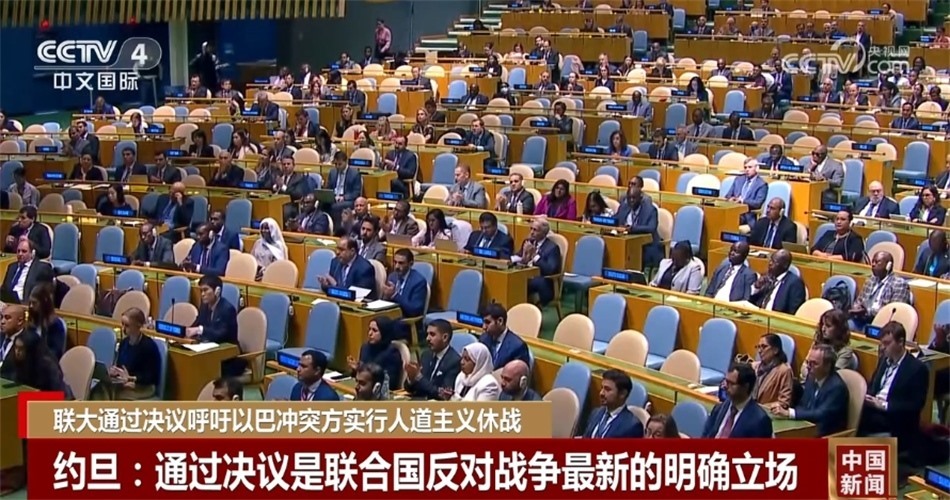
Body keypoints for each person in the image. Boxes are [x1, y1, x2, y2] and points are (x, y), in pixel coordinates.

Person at [858, 321, 928, 452]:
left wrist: (884, 405)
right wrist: (868, 398)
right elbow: (873, 386)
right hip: (874, 409)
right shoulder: (884, 361)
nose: (882, 348)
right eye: (881, 343)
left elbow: (916, 405)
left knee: (856, 418)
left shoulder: (917, 368)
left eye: (887, 343)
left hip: (896, 418)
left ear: (900, 342)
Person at [771, 343, 848, 436]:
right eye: (808, 362)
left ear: (827, 366)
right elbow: (803, 404)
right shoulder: (811, 377)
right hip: (807, 426)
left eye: (814, 363)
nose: (808, 366)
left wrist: (789, 413)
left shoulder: (836, 387)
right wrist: (785, 411)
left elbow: (821, 414)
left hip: (826, 434)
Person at [185, 275, 242, 377]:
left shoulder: (227, 309)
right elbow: (197, 323)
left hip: (228, 357)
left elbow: (220, 334)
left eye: (205, 290)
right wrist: (185, 331)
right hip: (210, 352)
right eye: (201, 291)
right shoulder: (204, 306)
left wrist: (200, 330)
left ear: (217, 291)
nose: (202, 294)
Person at [701, 363, 773, 438]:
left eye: (731, 383)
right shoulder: (719, 409)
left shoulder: (759, 421)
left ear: (745, 386)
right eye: (726, 381)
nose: (725, 386)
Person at [849, 251, 911, 331]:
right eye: (872, 262)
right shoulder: (871, 280)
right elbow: (859, 301)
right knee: (845, 325)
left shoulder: (899, 284)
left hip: (883, 324)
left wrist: (867, 311)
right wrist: (856, 308)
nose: (873, 264)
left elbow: (893, 312)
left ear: (888, 266)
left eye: (877, 262)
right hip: (863, 319)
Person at [109, 307, 162, 400]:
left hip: (144, 386)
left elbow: (151, 377)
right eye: (122, 324)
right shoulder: (124, 343)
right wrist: (115, 372)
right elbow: (121, 367)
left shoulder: (148, 346)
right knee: (100, 389)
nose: (123, 328)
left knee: (118, 395)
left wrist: (131, 378)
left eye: (127, 325)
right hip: (125, 382)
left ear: (138, 326)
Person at [404, 319, 461, 400]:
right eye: (427, 334)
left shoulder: (454, 361)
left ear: (445, 337)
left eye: (432, 334)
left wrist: (418, 377)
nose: (428, 338)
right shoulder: (426, 355)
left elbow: (443, 395)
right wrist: (411, 379)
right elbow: (410, 389)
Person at [580, 369, 644, 438]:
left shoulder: (632, 427)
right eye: (602, 388)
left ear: (622, 394)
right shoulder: (595, 413)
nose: (601, 393)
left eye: (607, 389)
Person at [515, 218, 562, 306]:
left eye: (535, 230)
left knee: (522, 282)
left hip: (543, 282)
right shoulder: (528, 242)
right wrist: (523, 257)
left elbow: (551, 270)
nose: (531, 232)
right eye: (531, 229)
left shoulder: (552, 248)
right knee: (513, 278)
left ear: (544, 233)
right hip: (525, 275)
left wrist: (535, 256)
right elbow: (518, 257)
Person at [617, 176, 661, 269]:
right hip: (627, 243)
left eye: (634, 198)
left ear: (640, 198)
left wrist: (632, 229)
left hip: (646, 245)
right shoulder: (624, 207)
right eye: (629, 198)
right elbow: (615, 219)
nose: (631, 201)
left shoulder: (651, 210)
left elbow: (651, 228)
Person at [348, 316, 403, 391]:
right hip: (363, 389)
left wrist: (365, 374)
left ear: (384, 332)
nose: (370, 333)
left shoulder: (392, 353)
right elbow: (360, 377)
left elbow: (390, 383)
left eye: (374, 330)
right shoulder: (365, 348)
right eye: (369, 329)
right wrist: (356, 369)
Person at [8, 330, 69, 394]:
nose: (17, 352)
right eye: (16, 348)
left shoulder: (47, 367)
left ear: (31, 350)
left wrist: (25, 397)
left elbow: (60, 395)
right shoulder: (20, 363)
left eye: (21, 349)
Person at [802, 309, 857, 379]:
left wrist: (811, 375)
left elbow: (831, 377)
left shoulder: (845, 352)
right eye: (822, 324)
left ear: (838, 329)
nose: (823, 329)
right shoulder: (818, 343)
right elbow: (804, 366)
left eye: (828, 326)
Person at [751, 249, 806, 314]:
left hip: (776, 317)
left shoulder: (795, 283)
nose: (770, 263)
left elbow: (794, 312)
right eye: (770, 260)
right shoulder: (767, 277)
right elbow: (750, 300)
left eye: (774, 262)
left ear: (785, 265)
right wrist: (756, 287)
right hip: (758, 314)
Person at [479, 302, 531, 369]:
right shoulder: (483, 339)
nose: (484, 327)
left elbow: (519, 373)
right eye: (483, 322)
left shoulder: (518, 347)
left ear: (500, 321)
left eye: (487, 322)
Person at [3, 239, 54, 304]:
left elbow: (42, 294)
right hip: (7, 302)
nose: (20, 254)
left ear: (32, 253)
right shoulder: (11, 267)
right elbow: (4, 288)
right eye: (18, 251)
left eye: (24, 251)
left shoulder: (41, 268)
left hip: (24, 304)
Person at [751, 333, 794, 408]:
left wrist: (761, 408)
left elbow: (783, 403)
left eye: (764, 347)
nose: (759, 351)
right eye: (758, 347)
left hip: (767, 412)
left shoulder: (784, 371)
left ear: (775, 350)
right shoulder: (754, 367)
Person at [724, 159, 768, 227]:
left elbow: (757, 203)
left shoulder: (762, 184)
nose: (747, 169)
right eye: (745, 167)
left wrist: (742, 201)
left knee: (729, 220)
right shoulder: (738, 179)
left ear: (757, 168)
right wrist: (731, 199)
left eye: (750, 167)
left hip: (747, 215)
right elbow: (727, 195)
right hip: (733, 211)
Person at [26, 283, 65, 359]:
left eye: (34, 303)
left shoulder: (55, 325)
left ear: (44, 302)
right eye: (30, 303)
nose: (31, 306)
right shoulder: (32, 322)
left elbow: (56, 352)